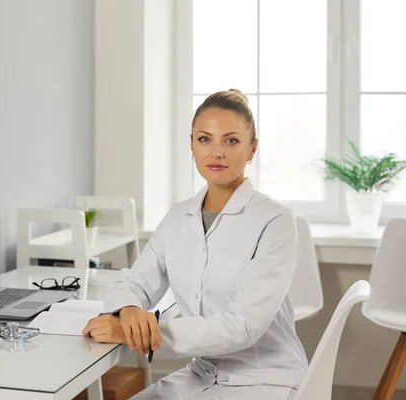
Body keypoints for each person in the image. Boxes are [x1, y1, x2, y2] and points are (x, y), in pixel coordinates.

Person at [83, 89, 308, 399]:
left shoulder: (276, 220)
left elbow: (244, 325)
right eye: (204, 139)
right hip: (203, 373)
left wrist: (142, 334)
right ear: (191, 145)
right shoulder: (178, 217)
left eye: (231, 141)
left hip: (265, 378)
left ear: (252, 149)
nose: (216, 152)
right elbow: (137, 280)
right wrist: (129, 310)